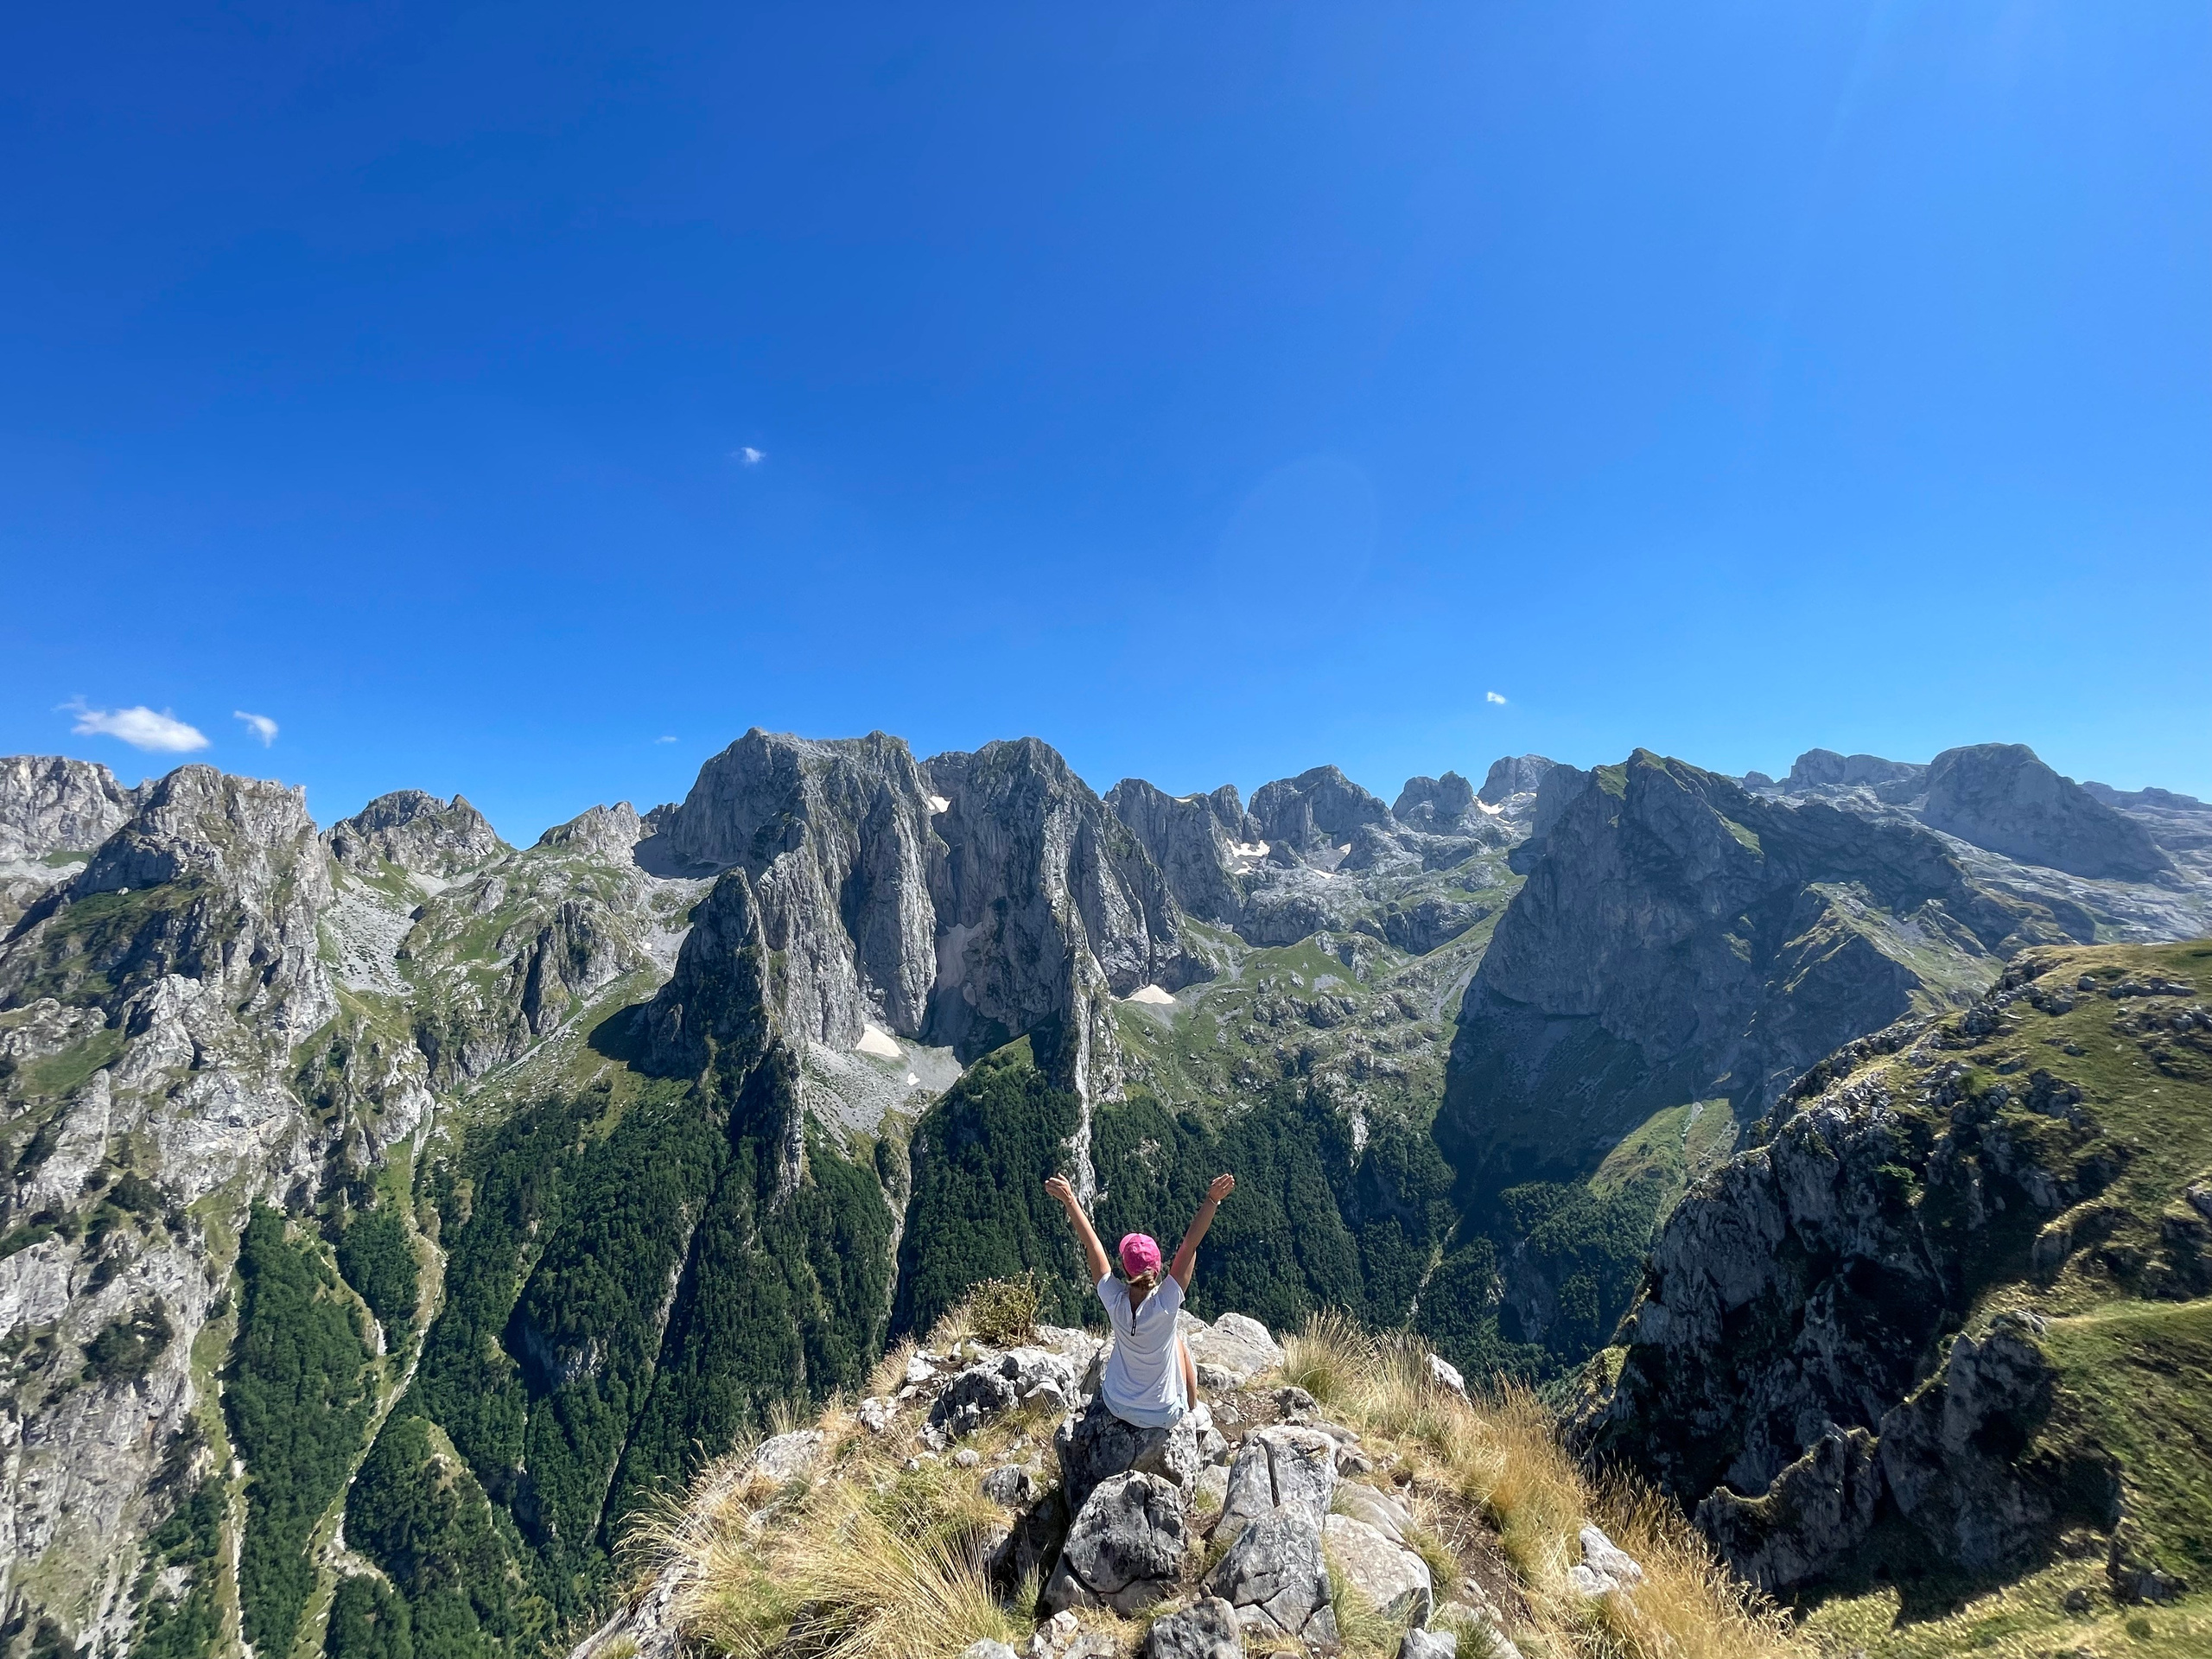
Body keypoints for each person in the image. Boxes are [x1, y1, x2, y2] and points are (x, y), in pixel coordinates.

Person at [1044, 1171, 1236, 1428]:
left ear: (1124, 1269)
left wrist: (1070, 1200)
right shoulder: (1166, 1304)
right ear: (1158, 1270)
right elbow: (1190, 1245)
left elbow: (1093, 1246)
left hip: (1117, 1403)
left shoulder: (1113, 1299)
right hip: (1163, 1413)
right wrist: (1212, 1200)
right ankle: (1194, 1408)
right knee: (1176, 1341)